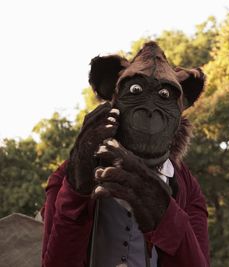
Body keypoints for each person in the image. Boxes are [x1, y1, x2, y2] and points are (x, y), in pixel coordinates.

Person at [41, 42, 210, 267]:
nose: (150, 109)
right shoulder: (68, 174)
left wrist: (165, 215)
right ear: (115, 100)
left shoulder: (185, 186)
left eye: (164, 95)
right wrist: (76, 188)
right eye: (136, 91)